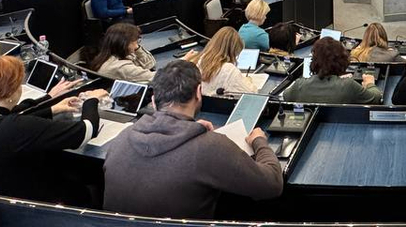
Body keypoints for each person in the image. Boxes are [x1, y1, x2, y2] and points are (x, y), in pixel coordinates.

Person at [102, 60, 282, 219]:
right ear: (198, 92)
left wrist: (191, 128)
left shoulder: (121, 138)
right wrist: (259, 141)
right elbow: (272, 184)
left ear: (154, 101)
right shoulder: (211, 147)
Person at [0, 56, 107, 203]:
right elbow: (86, 131)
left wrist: (52, 109)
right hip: (36, 208)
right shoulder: (17, 128)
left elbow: (10, 119)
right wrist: (91, 100)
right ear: (10, 92)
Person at [281, 37, 382, 104]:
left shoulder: (299, 85)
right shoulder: (348, 86)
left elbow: (285, 96)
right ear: (342, 60)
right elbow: (376, 98)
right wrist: (370, 83)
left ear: (314, 61)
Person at [90, 22, 176, 83]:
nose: (136, 45)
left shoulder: (112, 54)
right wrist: (178, 65)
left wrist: (137, 48)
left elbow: (150, 64)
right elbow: (156, 77)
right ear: (123, 44)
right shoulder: (121, 67)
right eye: (134, 42)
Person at [197, 27, 261, 96]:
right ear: (232, 52)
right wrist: (248, 82)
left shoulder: (200, 61)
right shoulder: (229, 69)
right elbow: (251, 94)